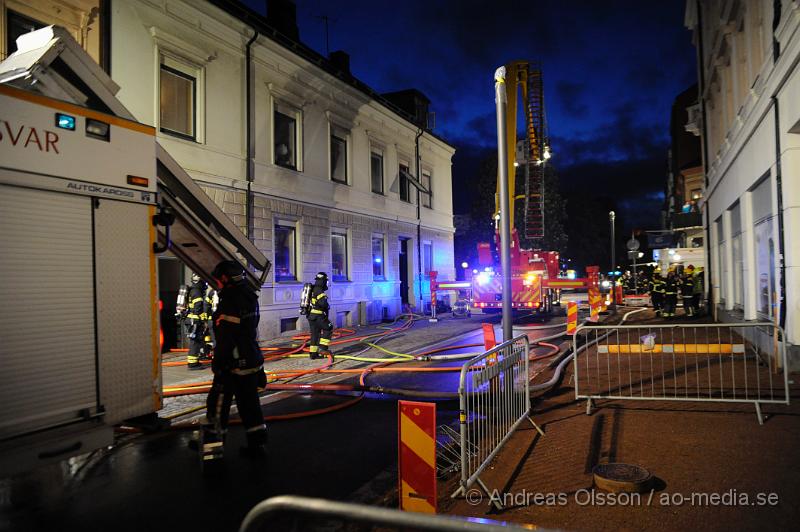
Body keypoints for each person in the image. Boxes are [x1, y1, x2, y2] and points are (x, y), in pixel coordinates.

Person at [204, 260, 267, 458]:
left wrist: (219, 363)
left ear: (225, 278)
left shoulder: (229, 301)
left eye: (218, 281)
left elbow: (227, 337)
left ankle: (213, 449)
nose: (217, 284)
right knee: (250, 405)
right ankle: (257, 445)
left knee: (217, 404)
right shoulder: (249, 296)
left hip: (233, 363)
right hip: (251, 360)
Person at [180, 273, 213, 369]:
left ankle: (195, 361)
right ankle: (192, 364)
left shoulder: (193, 290)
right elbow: (198, 308)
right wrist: (204, 319)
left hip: (191, 320)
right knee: (195, 342)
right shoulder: (197, 292)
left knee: (196, 341)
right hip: (194, 321)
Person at [306, 272, 334, 360]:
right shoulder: (319, 290)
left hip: (311, 316)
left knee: (315, 334)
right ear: (323, 281)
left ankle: (313, 354)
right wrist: (326, 305)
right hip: (318, 315)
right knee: (328, 327)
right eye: (326, 281)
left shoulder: (313, 288)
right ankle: (323, 349)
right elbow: (323, 303)